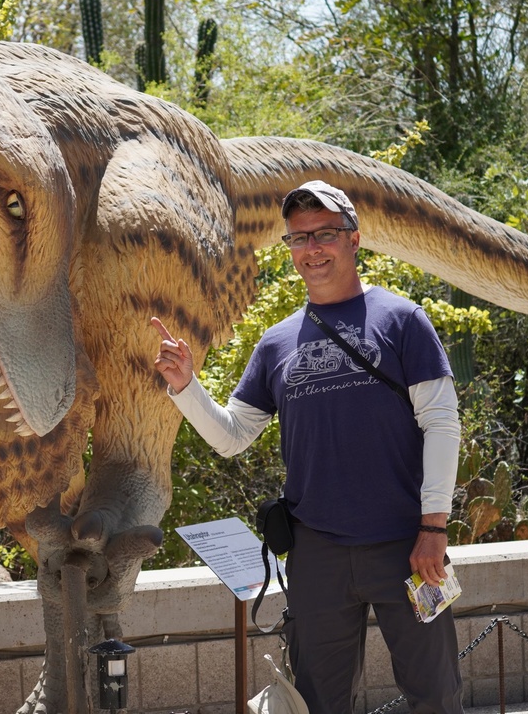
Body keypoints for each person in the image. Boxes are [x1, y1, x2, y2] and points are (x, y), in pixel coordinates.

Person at [152, 181, 464, 714]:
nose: (311, 249)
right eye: (298, 239)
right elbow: (232, 437)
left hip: (407, 547)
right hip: (317, 554)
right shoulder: (276, 342)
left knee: (436, 696)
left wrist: (433, 528)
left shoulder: (403, 320)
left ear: (354, 239)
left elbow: (442, 424)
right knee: (316, 703)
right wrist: (186, 385)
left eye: (324, 234)